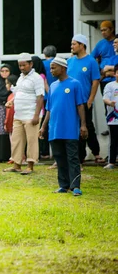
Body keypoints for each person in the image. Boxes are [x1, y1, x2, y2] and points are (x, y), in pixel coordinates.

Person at [39, 57, 87, 196]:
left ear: (63, 68)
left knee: (72, 157)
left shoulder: (75, 84)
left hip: (70, 128)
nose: (51, 70)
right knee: (59, 157)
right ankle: (63, 185)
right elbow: (49, 109)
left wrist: (83, 125)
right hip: (55, 129)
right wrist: (43, 126)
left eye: (54, 67)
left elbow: (80, 106)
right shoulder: (53, 86)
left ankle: (75, 186)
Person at [3, 53, 45, 175]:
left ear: (31, 64)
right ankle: (16, 165)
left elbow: (40, 97)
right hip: (18, 115)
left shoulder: (37, 78)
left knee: (31, 140)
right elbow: (19, 93)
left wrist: (36, 115)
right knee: (16, 140)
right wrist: (11, 101)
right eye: (20, 65)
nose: (21, 68)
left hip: (31, 115)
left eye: (24, 65)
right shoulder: (21, 78)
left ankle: (30, 166)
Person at [67, 34, 104, 165]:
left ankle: (95, 152)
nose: (71, 47)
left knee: (87, 126)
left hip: (84, 100)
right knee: (74, 127)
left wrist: (90, 99)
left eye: (74, 44)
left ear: (82, 45)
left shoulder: (91, 61)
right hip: (71, 100)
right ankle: (78, 156)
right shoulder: (70, 61)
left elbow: (95, 81)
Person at [92, 21, 116, 94]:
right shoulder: (100, 44)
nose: (103, 32)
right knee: (106, 102)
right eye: (101, 30)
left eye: (105, 30)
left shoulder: (116, 42)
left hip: (115, 77)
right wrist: (98, 70)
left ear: (112, 29)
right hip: (104, 78)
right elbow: (91, 58)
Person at [102, 64, 118, 169]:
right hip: (114, 118)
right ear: (115, 74)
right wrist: (110, 103)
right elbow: (105, 98)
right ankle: (111, 162)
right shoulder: (110, 85)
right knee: (114, 140)